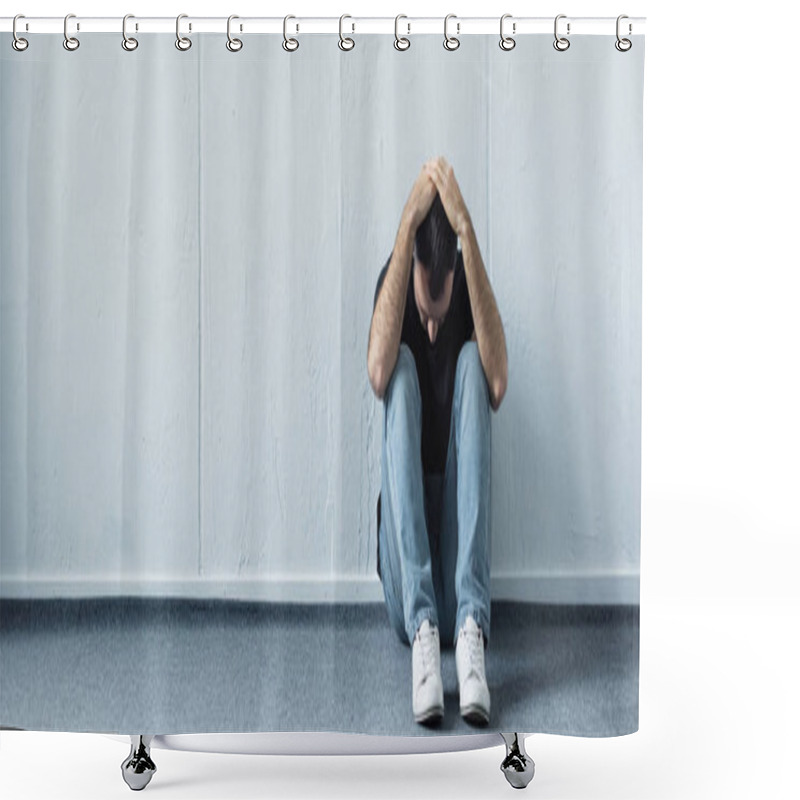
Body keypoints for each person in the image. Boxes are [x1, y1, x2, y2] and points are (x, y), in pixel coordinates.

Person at [367, 156, 508, 726]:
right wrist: (406, 226)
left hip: (459, 571)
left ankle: (470, 634)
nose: (430, 329)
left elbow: (498, 385)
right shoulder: (397, 283)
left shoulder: (464, 285)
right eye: (422, 313)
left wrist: (467, 231)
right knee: (398, 371)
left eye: (436, 312)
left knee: (476, 362)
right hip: (410, 586)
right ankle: (427, 638)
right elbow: (375, 374)